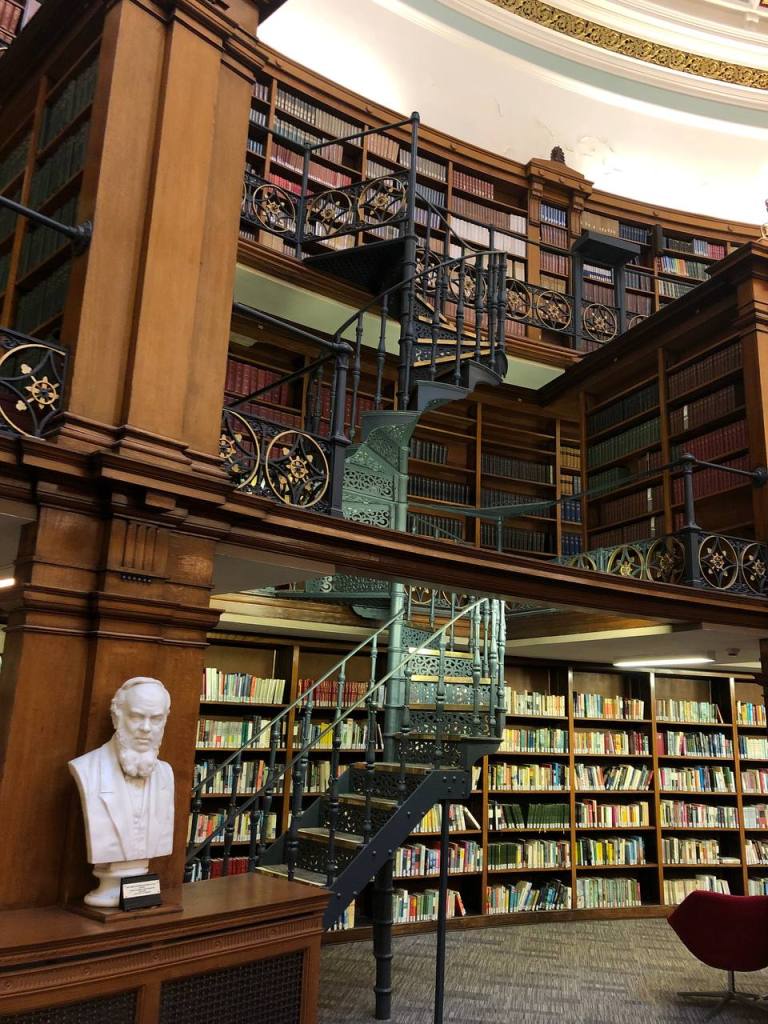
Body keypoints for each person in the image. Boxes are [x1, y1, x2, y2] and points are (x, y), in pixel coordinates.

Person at [69, 677, 174, 907]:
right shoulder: (87, 769)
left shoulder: (166, 774)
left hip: (140, 893)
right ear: (117, 717)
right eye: (136, 716)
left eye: (156, 719)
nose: (146, 728)